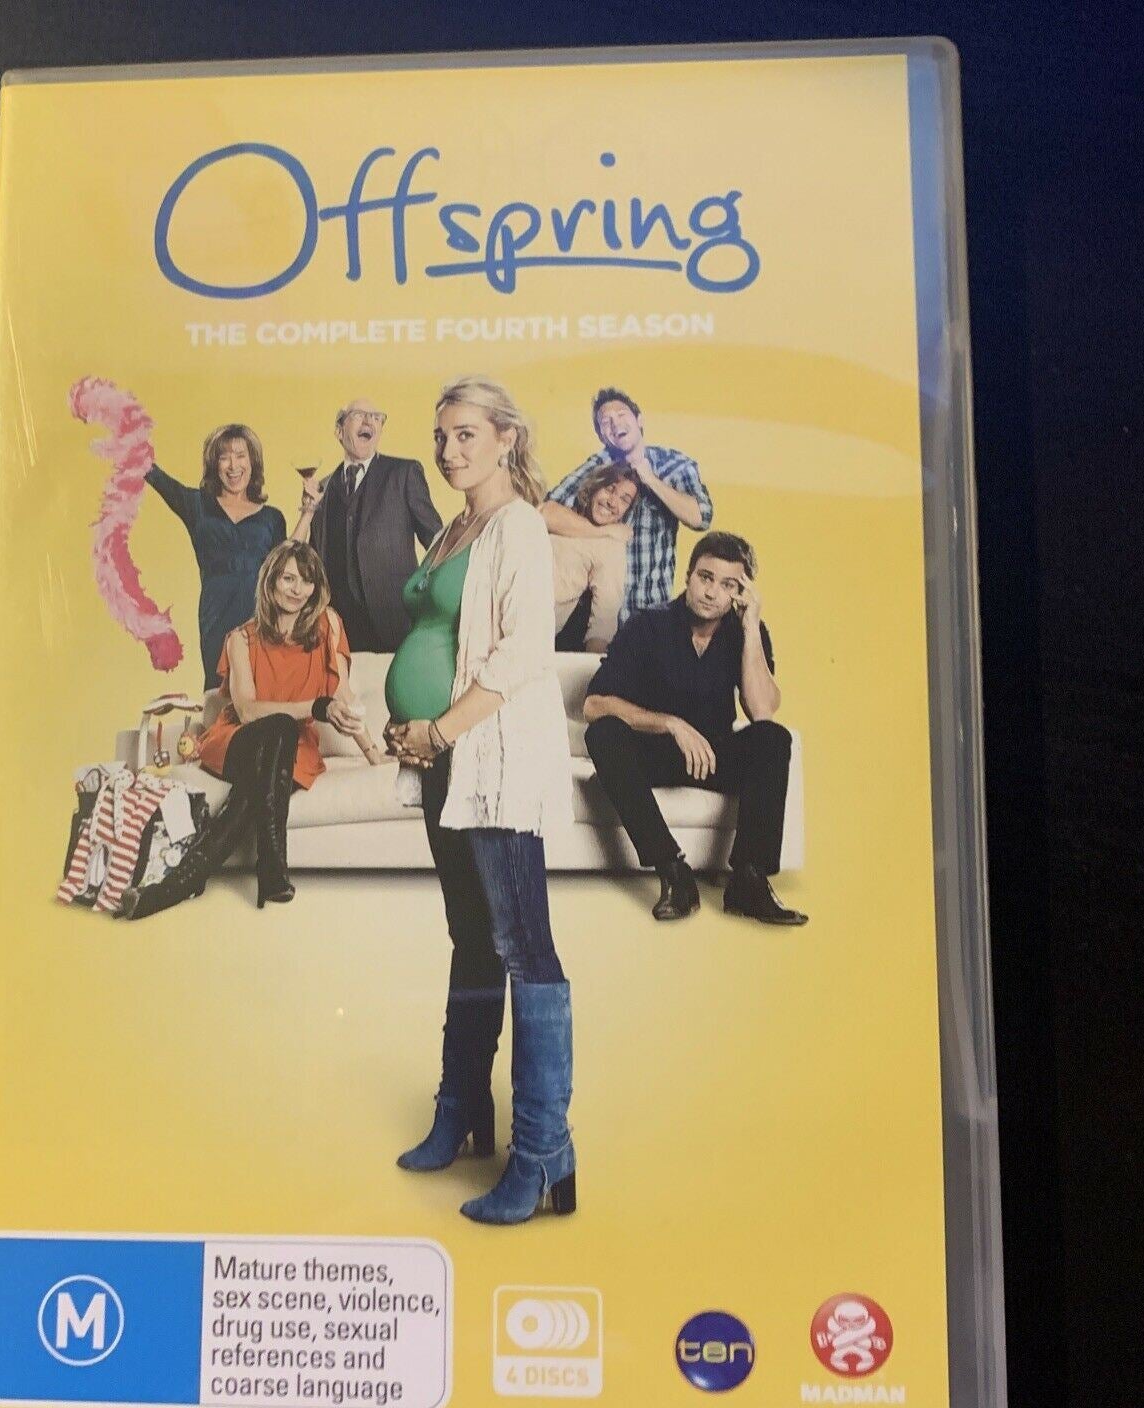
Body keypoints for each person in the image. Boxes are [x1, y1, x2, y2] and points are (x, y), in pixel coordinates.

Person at [385, 377, 577, 1225]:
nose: (448, 450)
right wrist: (410, 729)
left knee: (525, 949)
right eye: (440, 436)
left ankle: (542, 1153)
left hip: (490, 759)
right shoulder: (455, 526)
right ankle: (460, 1112)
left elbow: (523, 652)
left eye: (465, 434)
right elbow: (436, 639)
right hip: (444, 761)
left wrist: (440, 729)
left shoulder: (519, 526)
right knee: (471, 938)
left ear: (506, 438)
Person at [124, 542, 369, 915]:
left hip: (292, 748)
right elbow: (248, 711)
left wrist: (372, 751)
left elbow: (344, 696)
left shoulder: (328, 625)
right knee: (280, 727)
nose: (298, 590)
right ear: (271, 581)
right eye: (288, 579)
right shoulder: (241, 638)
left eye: (307, 581)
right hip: (239, 741)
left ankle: (179, 884)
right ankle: (271, 871)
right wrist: (315, 707)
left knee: (256, 782)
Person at [582, 532, 807, 925]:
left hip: (713, 756)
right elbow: (594, 704)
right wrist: (671, 724)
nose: (712, 592)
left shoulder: (745, 632)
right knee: (603, 734)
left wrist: (751, 626)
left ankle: (749, 881)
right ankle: (673, 872)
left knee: (773, 738)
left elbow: (762, 710)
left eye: (728, 585)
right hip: (654, 754)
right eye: (705, 577)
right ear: (688, 576)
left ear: (741, 593)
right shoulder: (647, 625)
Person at [545, 387, 712, 640]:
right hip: (592, 624)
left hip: (649, 621)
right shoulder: (598, 465)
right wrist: (606, 532)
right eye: (606, 422)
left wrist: (650, 479)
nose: (615, 424)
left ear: (639, 420)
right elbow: (546, 512)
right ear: (602, 436)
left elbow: (701, 517)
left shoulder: (674, 464)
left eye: (621, 415)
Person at [293, 398, 443, 652]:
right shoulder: (322, 489)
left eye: (376, 417)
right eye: (359, 415)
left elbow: (439, 542)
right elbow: (312, 563)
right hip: (340, 633)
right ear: (339, 431)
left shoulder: (403, 473)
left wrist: (430, 600)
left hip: (398, 625)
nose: (369, 421)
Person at [145, 424, 287, 689]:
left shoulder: (272, 518)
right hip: (216, 618)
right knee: (219, 692)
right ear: (214, 464)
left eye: (241, 455)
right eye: (224, 457)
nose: (233, 466)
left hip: (261, 619)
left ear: (253, 462)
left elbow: (285, 566)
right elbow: (156, 477)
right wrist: (126, 439)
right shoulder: (197, 505)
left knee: (262, 694)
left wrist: (308, 512)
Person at [546, 461, 639, 651]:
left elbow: (603, 620)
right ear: (595, 487)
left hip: (531, 627)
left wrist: (594, 665)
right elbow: (543, 512)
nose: (612, 502)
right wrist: (605, 531)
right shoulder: (565, 515)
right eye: (609, 489)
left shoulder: (611, 548)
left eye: (624, 500)